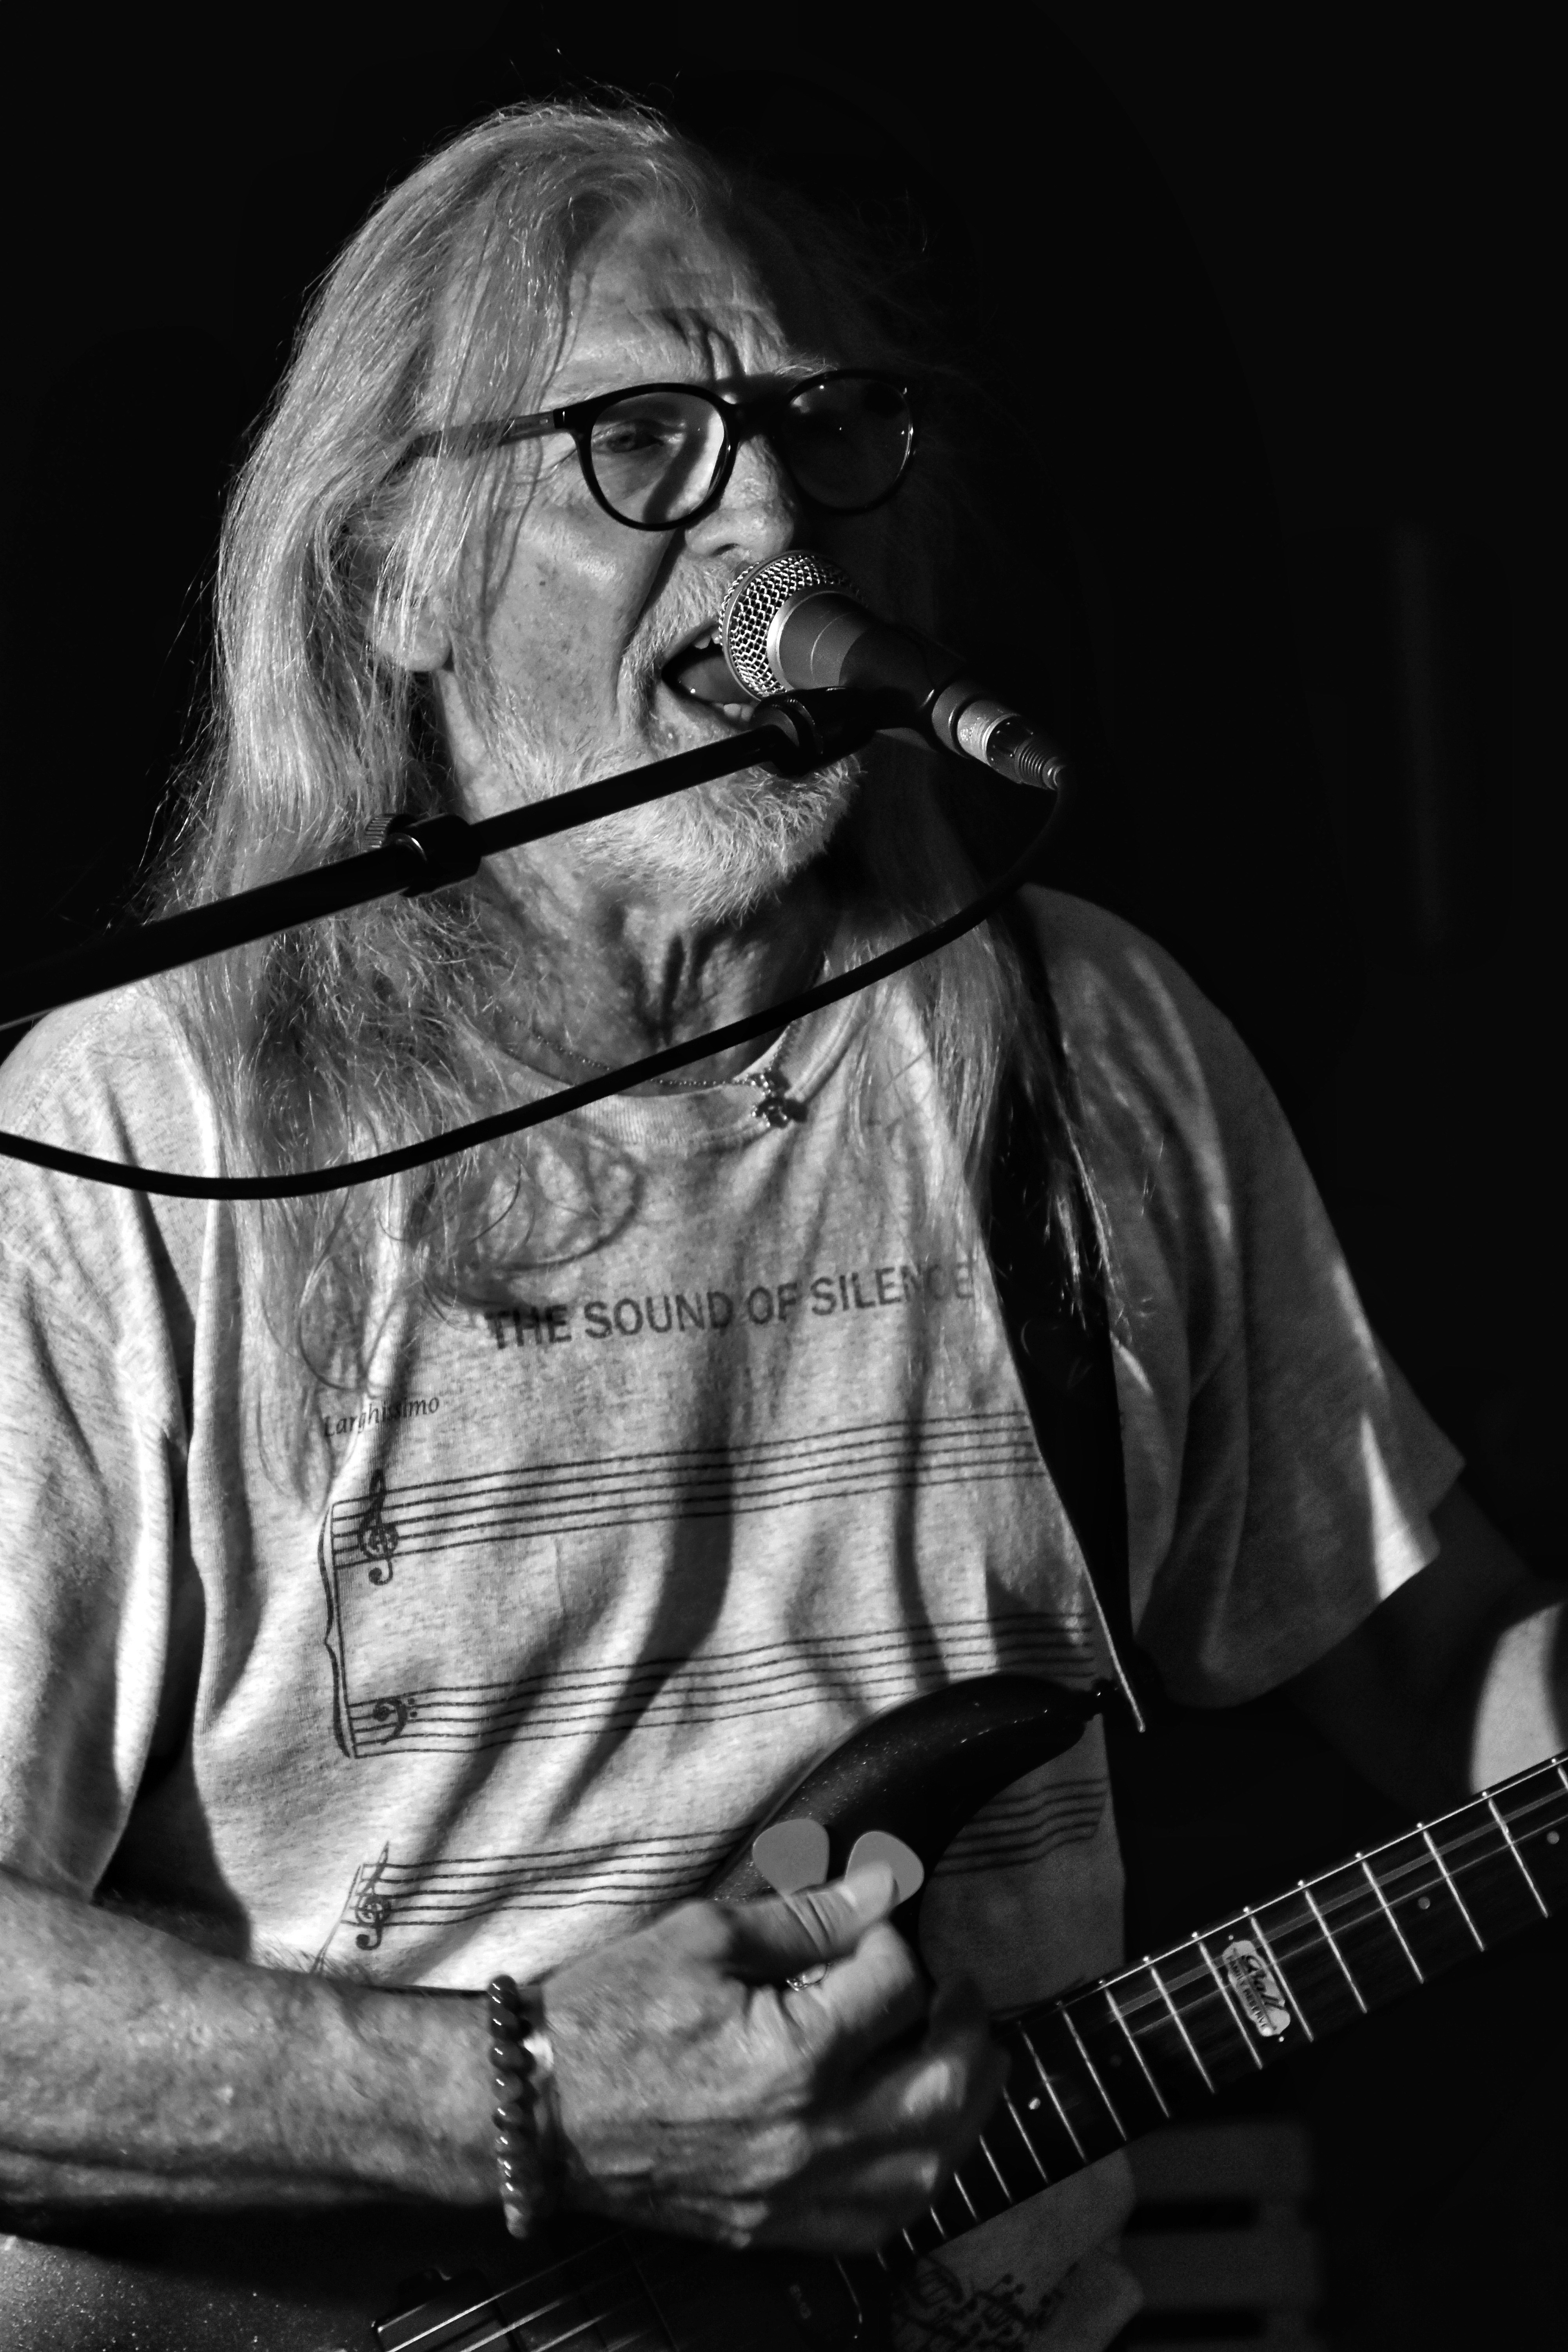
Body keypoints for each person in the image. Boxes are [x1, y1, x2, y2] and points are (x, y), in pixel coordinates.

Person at [0, 99, 1560, 2350]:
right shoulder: (143, 1133)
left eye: (826, 429)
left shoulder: (1082, 1048)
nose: (770, 519)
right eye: (640, 441)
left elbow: (1437, 1656)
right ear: (400, 574)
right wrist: (531, 2107)